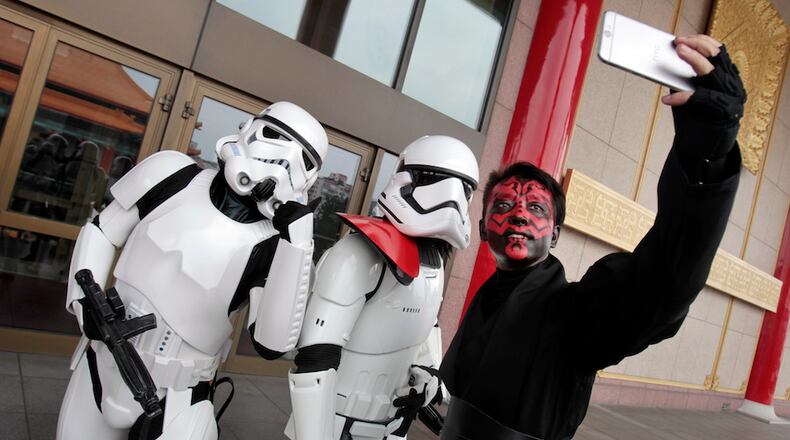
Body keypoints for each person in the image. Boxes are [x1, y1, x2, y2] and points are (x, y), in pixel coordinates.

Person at [439, 35, 746, 440]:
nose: (519, 214)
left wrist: (707, 151)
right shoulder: (489, 296)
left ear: (555, 234)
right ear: (482, 228)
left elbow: (663, 284)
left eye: (536, 209)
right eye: (504, 205)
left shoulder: (575, 315)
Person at [57, 101, 328, 440]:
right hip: (102, 362)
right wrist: (85, 304)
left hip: (179, 392)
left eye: (303, 159)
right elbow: (102, 230)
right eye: (276, 137)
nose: (283, 162)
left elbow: (270, 344)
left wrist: (297, 247)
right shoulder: (172, 174)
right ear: (248, 128)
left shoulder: (277, 245)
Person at [286, 135, 479, 440]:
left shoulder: (435, 263)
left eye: (464, 189)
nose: (451, 199)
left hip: (393, 426)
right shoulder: (358, 252)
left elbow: (424, 330)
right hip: (335, 425)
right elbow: (315, 360)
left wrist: (427, 376)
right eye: (436, 180)